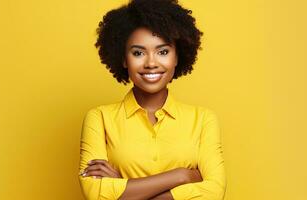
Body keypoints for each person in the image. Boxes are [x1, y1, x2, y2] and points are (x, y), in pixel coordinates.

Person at [77, 0, 226, 199]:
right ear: (123, 59)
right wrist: (182, 176)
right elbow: (95, 193)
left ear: (176, 57)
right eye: (138, 53)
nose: (151, 63)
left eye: (163, 52)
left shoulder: (203, 120)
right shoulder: (99, 119)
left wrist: (124, 186)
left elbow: (214, 192)